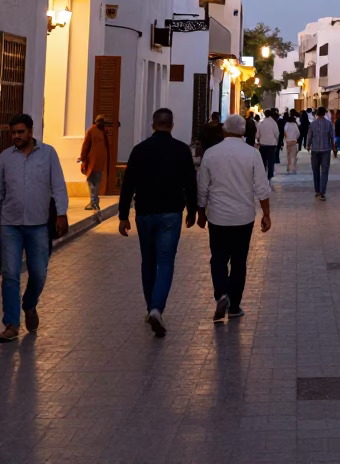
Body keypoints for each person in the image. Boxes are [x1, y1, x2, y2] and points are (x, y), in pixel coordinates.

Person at [118, 106, 198, 338]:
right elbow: (190, 184)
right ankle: (156, 308)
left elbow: (128, 184)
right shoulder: (182, 150)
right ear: (171, 125)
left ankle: (150, 307)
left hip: (144, 214)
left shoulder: (139, 150)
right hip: (171, 214)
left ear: (153, 125)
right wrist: (192, 211)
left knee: (148, 262)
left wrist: (123, 215)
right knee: (165, 262)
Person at [0, 113, 68, 342]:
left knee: (38, 273)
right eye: (13, 133)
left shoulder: (48, 154)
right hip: (10, 224)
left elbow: (58, 185)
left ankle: (29, 305)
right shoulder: (5, 158)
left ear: (30, 132)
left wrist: (61, 214)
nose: (16, 136)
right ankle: (11, 323)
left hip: (39, 225)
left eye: (20, 132)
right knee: (10, 273)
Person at [197, 113, 271, 322]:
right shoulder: (252, 154)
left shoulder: (211, 154)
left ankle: (221, 294)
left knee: (218, 258)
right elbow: (261, 187)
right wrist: (266, 214)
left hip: (218, 217)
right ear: (243, 131)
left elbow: (203, 186)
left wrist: (201, 211)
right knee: (239, 261)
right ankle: (235, 305)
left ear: (224, 130)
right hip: (243, 217)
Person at [79, 113, 111, 212]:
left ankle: (94, 202)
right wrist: (83, 158)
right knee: (94, 182)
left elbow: (86, 147)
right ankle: (94, 201)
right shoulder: (95, 131)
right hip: (94, 163)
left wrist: (83, 158)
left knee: (94, 182)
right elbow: (86, 146)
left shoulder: (100, 132)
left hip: (96, 163)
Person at [307, 106, 337, 200]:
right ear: (324, 113)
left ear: (317, 113)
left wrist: (308, 146)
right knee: (324, 172)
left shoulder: (313, 124)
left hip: (315, 150)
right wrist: (333, 147)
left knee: (315, 171)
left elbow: (309, 136)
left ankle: (317, 190)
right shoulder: (328, 124)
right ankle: (322, 192)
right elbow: (332, 136)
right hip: (326, 150)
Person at [256, 109, 280, 184]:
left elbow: (257, 135)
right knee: (271, 161)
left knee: (263, 161)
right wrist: (277, 141)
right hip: (271, 145)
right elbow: (277, 134)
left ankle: (262, 175)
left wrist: (258, 140)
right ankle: (270, 175)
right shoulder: (274, 123)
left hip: (263, 144)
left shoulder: (261, 123)